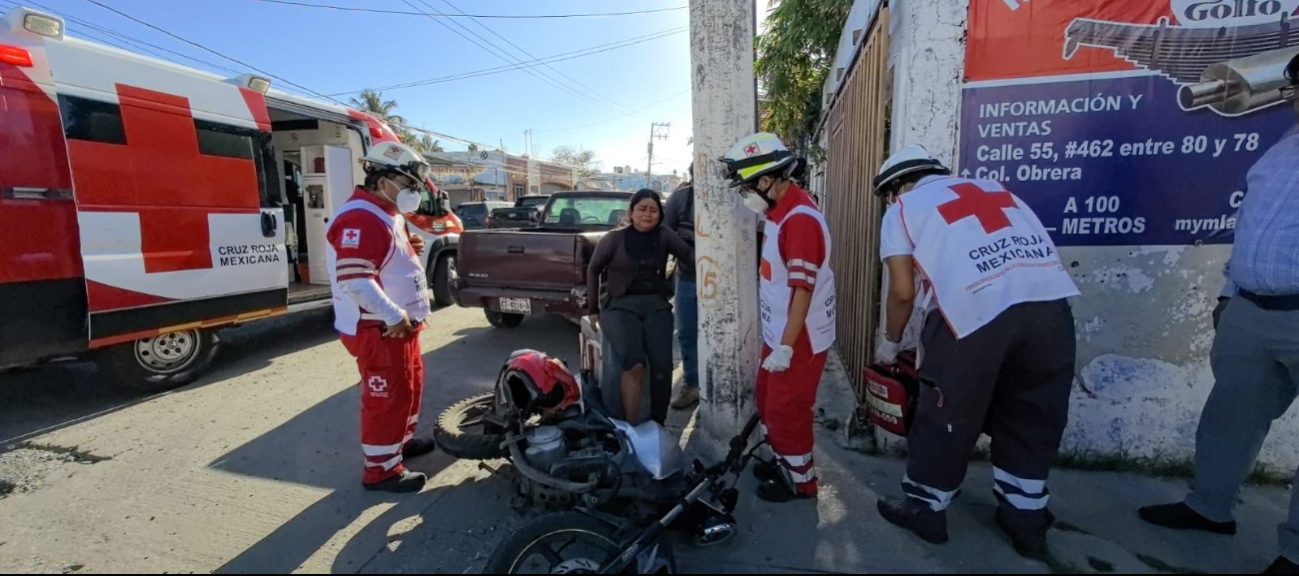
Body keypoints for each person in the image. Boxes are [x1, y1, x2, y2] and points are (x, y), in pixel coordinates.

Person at [871, 145, 1080, 559]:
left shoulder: (903, 209)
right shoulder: (1001, 192)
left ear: (896, 188)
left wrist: (890, 343)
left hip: (972, 313)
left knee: (945, 414)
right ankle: (1025, 520)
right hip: (1051, 311)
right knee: (1032, 412)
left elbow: (902, 291)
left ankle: (925, 510)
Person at [1139, 54, 1299, 576]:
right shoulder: (1281, 152)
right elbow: (1253, 226)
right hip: (1251, 310)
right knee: (1229, 417)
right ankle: (1208, 508)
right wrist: (1230, 292)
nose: (1296, 98)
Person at [720, 133, 837, 503]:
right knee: (769, 400)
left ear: (767, 180)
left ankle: (801, 483)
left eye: (748, 186)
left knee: (787, 411)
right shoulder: (780, 212)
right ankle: (783, 463)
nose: (746, 194)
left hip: (798, 339)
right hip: (782, 333)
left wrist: (785, 347)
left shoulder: (799, 220)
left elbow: (803, 289)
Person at [326, 141, 437, 494]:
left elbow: (385, 257)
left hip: (399, 327)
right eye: (408, 185)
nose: (412, 193)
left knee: (407, 390)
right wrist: (393, 316)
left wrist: (408, 248)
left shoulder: (386, 211)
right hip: (380, 328)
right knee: (386, 398)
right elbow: (355, 280)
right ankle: (381, 471)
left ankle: (397, 446)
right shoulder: (361, 216)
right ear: (382, 179)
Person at [587, 189, 695, 426]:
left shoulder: (664, 235)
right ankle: (631, 428)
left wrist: (712, 273)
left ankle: (658, 424)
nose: (648, 214)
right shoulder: (613, 238)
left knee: (662, 368)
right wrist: (592, 308)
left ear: (660, 214)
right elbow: (593, 269)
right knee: (635, 366)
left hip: (656, 307)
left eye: (653, 210)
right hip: (619, 307)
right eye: (642, 209)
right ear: (631, 212)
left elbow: (688, 255)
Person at [664, 168, 700, 409]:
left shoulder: (733, 196)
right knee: (687, 333)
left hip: (723, 280)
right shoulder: (681, 198)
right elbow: (664, 234)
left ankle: (717, 392)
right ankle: (693, 383)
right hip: (687, 277)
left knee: (721, 335)